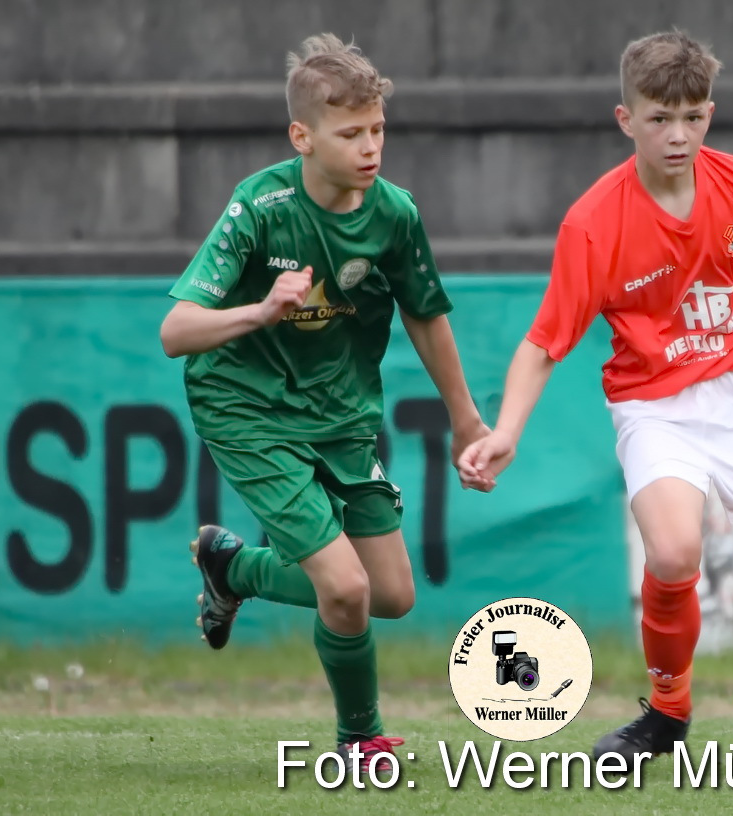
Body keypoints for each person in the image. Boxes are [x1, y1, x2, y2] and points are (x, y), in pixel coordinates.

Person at [459, 30, 733, 762]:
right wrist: (505, 431)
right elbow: (544, 342)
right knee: (671, 552)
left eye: (693, 117)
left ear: (709, 114)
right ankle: (667, 714)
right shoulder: (593, 224)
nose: (678, 135)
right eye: (659, 118)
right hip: (656, 404)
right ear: (626, 119)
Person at [160, 33, 490, 774]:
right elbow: (175, 332)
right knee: (344, 588)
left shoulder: (395, 214)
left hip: (340, 416)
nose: (371, 147)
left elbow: (426, 315)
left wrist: (465, 419)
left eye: (378, 130)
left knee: (391, 595)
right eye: (351, 134)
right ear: (301, 137)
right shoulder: (259, 205)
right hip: (246, 409)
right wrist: (259, 312)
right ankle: (359, 740)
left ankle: (233, 568)